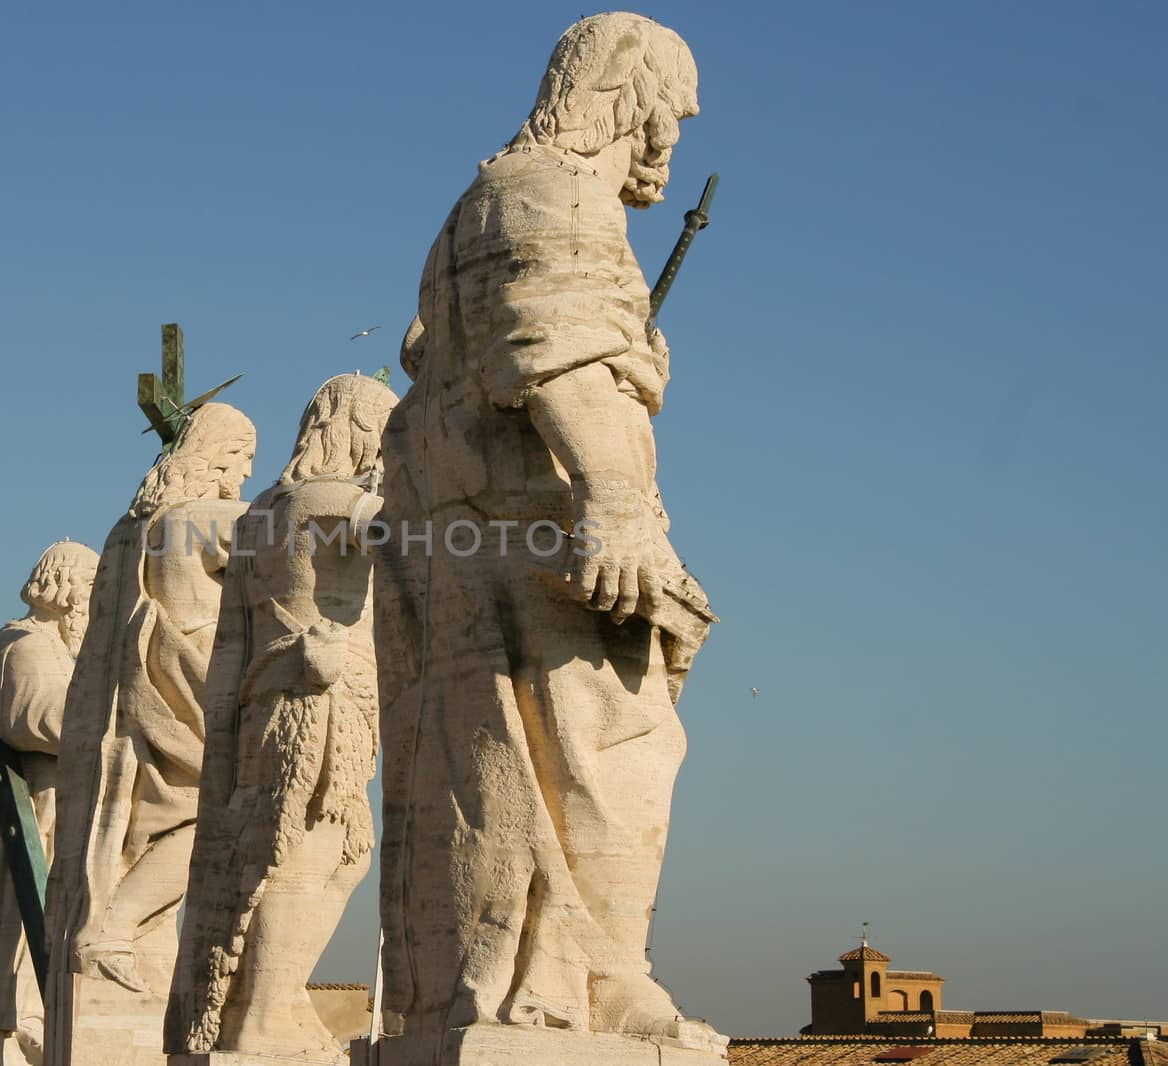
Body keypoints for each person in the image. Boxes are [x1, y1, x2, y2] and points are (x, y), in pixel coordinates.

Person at [373, 12, 721, 1050]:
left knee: (502, 758)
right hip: (549, 529)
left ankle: (530, 976)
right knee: (615, 744)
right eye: (673, 112)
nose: (673, 140)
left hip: (475, 533)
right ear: (633, 97)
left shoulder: (475, 204)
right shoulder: (553, 193)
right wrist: (612, 499)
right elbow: (558, 345)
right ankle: (597, 976)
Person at [167, 374, 395, 1060]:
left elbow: (230, 647)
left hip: (270, 698)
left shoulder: (259, 514)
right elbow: (403, 533)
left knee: (326, 851)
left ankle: (271, 994)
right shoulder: (327, 501)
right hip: (323, 700)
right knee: (310, 849)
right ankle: (267, 1006)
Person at [44, 402, 255, 1065]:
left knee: (154, 824)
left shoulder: (129, 528)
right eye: (244, 458)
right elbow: (287, 530)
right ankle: (112, 929)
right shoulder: (198, 520)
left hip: (129, 695)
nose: (248, 472)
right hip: (181, 678)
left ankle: (112, 926)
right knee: (212, 815)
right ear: (219, 456)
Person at [0, 540, 99, 1066]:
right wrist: (110, 720)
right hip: (32, 805)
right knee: (17, 931)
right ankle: (24, 1024)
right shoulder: (24, 642)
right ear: (66, 587)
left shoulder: (63, 650)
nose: (94, 604)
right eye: (91, 589)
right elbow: (29, 716)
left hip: (59, 802)